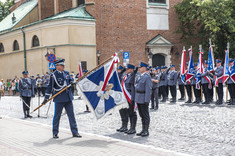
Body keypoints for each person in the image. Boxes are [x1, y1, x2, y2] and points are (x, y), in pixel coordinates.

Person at [43, 59, 81, 139]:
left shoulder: (66, 73)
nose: (63, 66)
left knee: (71, 116)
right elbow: (50, 87)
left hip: (68, 97)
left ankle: (75, 132)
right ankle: (55, 132)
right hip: (59, 98)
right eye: (61, 65)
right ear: (57, 66)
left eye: (63, 65)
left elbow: (70, 81)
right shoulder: (53, 75)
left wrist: (72, 82)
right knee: (57, 116)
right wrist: (46, 98)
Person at [135, 62, 152, 137]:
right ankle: (143, 129)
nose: (139, 68)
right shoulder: (140, 76)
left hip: (143, 98)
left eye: (140, 67)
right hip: (139, 98)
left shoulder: (147, 77)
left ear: (144, 68)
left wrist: (147, 100)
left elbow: (148, 89)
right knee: (141, 115)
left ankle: (146, 130)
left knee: (145, 115)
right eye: (139, 67)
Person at [123, 63, 138, 134]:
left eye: (128, 69)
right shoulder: (126, 76)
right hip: (126, 97)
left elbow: (133, 88)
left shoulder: (133, 75)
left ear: (132, 69)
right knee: (129, 113)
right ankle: (130, 128)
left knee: (132, 113)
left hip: (131, 97)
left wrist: (133, 98)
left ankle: (133, 128)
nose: (127, 70)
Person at [116, 65, 129, 132]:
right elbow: (117, 75)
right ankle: (123, 125)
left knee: (125, 111)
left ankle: (125, 126)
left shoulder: (127, 76)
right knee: (121, 111)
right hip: (120, 96)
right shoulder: (120, 75)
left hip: (125, 96)